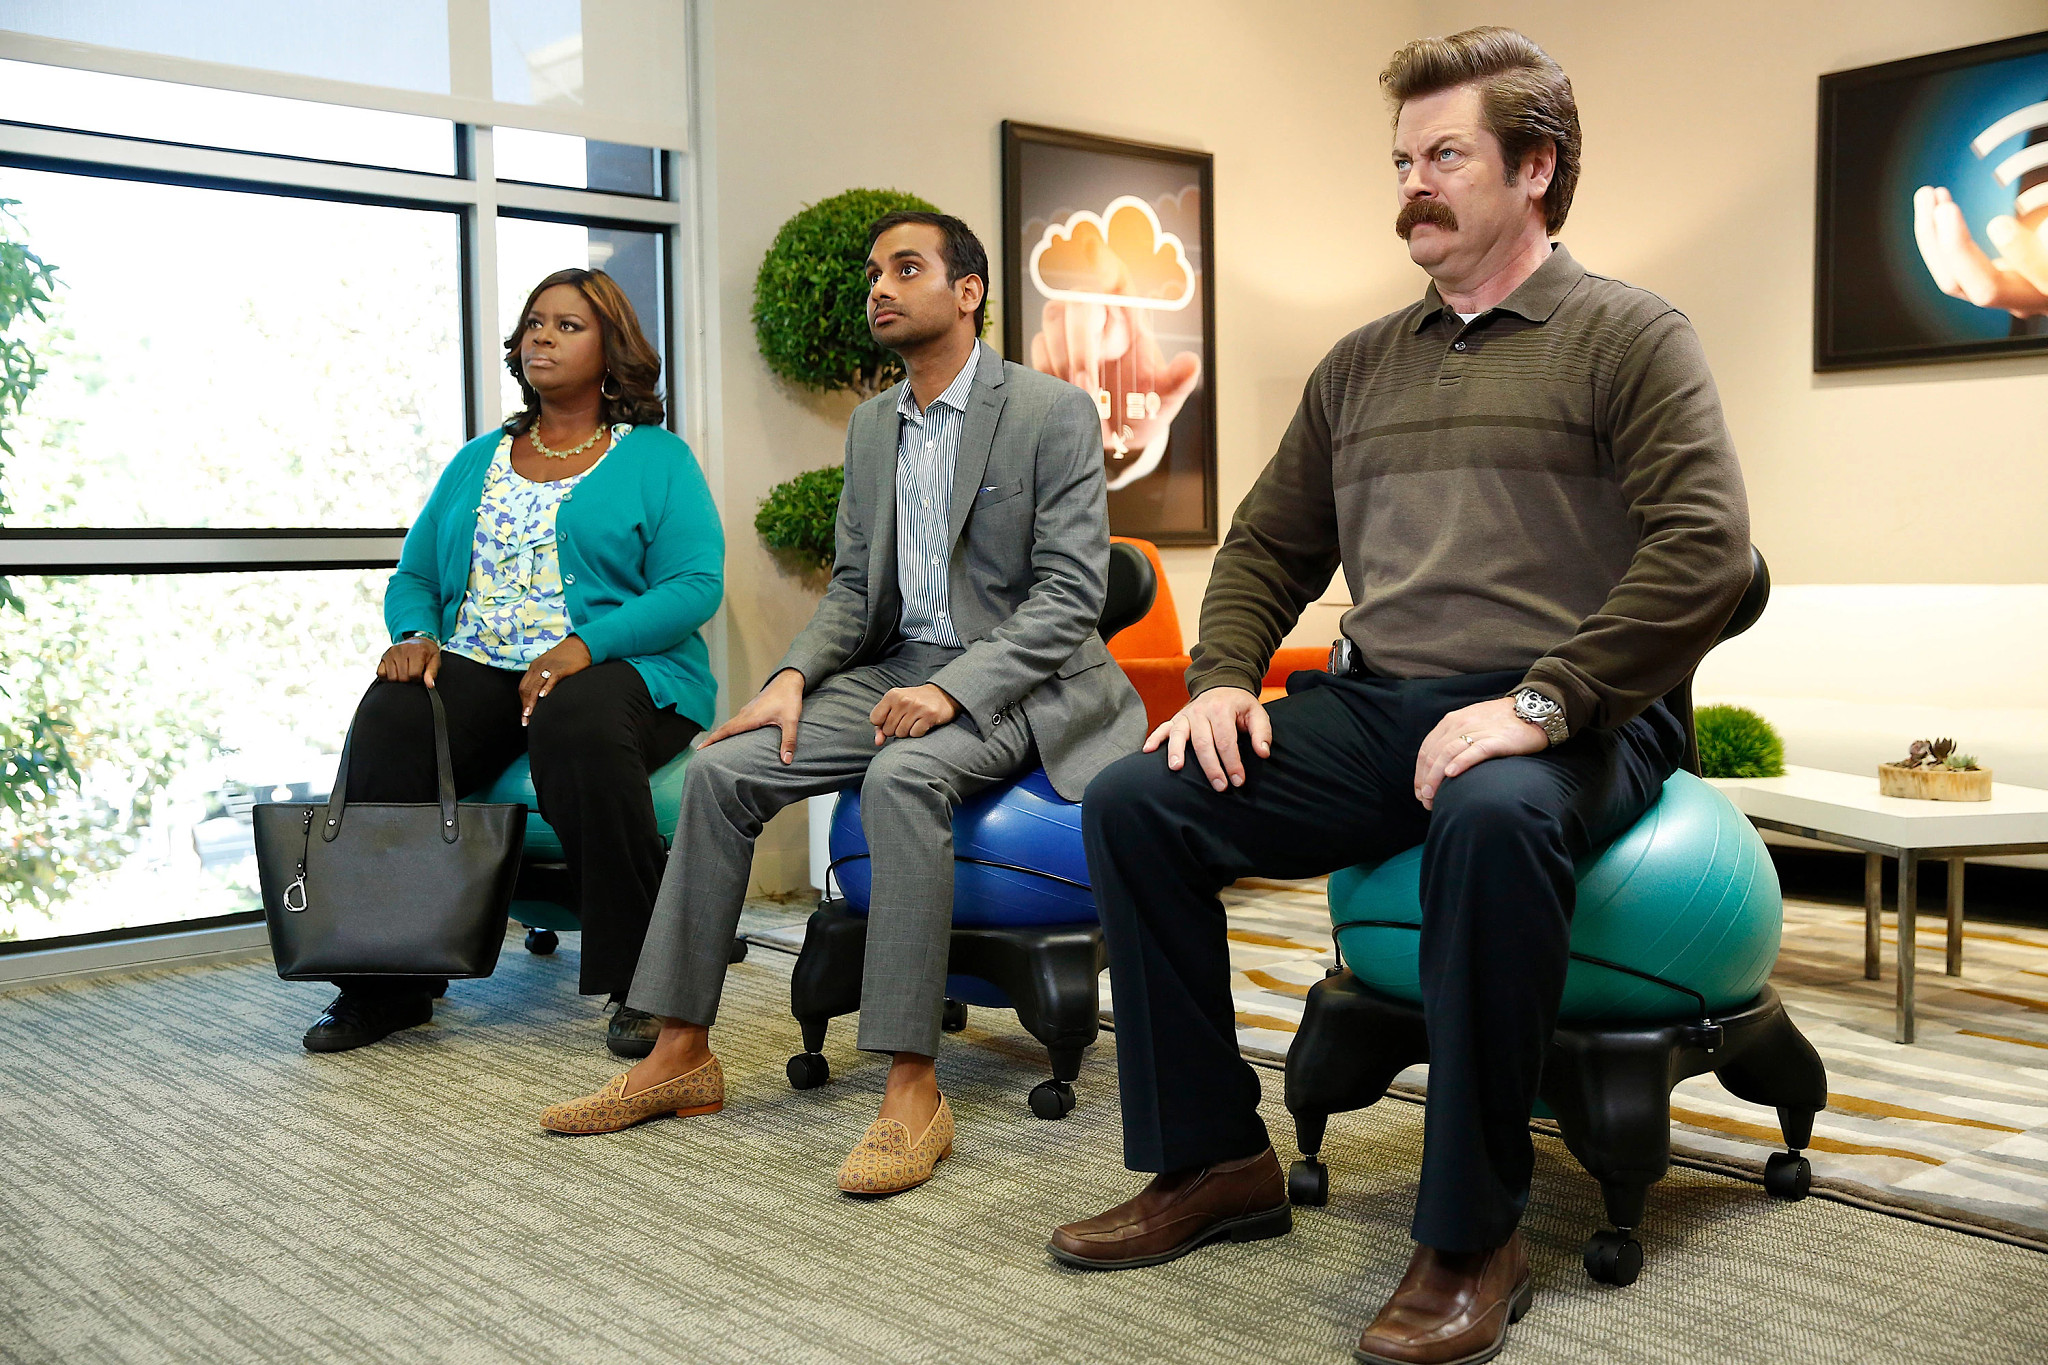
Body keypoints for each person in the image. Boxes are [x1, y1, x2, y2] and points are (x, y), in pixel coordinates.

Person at [1049, 29, 1750, 1365]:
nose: (1414, 183)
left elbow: (1704, 548)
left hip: (1580, 709)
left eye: (1445, 155)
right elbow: (1264, 547)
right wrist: (1220, 679)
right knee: (1142, 800)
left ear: (1534, 168)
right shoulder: (1360, 366)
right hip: (1387, 705)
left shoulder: (1631, 336)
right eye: (1401, 160)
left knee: (1490, 815)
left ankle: (1474, 1233)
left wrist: (1544, 703)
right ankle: (1211, 1164)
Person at [539, 212, 1145, 1197]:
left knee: (904, 774)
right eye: (873, 273)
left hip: (1018, 678)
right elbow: (859, 595)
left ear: (968, 290)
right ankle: (681, 1049)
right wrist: (788, 678)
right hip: (891, 665)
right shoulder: (872, 427)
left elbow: (1069, 598)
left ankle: (912, 1087)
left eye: (906, 269)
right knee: (724, 768)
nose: (879, 288)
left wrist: (950, 693)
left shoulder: (1049, 411)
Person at [301, 269, 724, 1058]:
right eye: (535, 323)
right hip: (484, 664)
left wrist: (582, 647)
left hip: (621, 669)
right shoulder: (479, 459)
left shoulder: (657, 458)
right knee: (392, 713)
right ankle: (383, 982)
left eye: (567, 325)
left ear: (610, 350)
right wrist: (414, 634)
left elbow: (694, 584)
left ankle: (645, 981)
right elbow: (416, 574)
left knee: (578, 719)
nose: (542, 337)